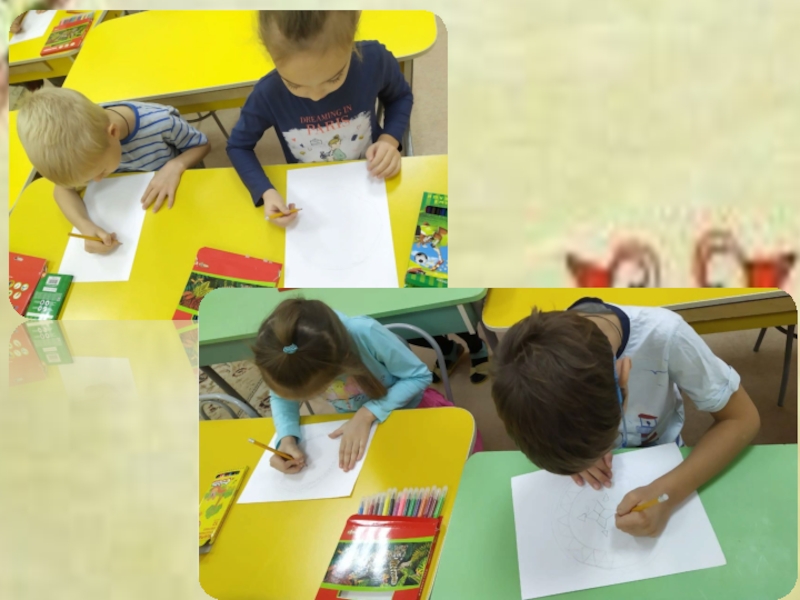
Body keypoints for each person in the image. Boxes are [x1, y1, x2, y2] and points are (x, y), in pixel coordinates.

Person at [491, 297, 760, 537]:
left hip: (667, 458)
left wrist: (669, 494)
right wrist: (578, 454)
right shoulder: (524, 370)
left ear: (624, 374)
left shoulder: (667, 335)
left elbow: (742, 419)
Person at [253, 298, 481, 475]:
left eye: (320, 388)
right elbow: (281, 397)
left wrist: (366, 413)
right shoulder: (288, 361)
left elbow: (418, 376)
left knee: (458, 468)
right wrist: (287, 438)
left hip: (414, 410)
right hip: (367, 430)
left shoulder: (364, 332)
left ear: (339, 363)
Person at [227, 10, 413, 223]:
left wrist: (389, 140)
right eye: (295, 85)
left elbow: (400, 96)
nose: (316, 96)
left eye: (333, 79)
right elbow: (238, 146)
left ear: (351, 36)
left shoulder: (374, 60)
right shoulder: (268, 94)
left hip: (371, 177)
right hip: (312, 193)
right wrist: (265, 191)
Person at [17, 87, 210, 254]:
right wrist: (85, 226)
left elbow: (202, 145)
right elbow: (61, 191)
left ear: (113, 133)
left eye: (101, 171)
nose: (97, 180)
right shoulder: (84, 149)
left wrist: (176, 165)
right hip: (143, 222)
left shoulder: (160, 122)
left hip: (181, 197)